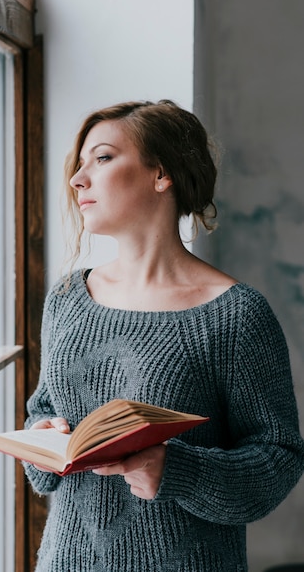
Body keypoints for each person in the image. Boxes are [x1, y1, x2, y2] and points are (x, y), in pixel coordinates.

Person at [24, 99, 304, 571]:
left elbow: (278, 457)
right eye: (80, 163)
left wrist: (179, 472)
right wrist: (43, 435)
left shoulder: (235, 315)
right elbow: (45, 408)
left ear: (161, 174)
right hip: (67, 560)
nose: (77, 178)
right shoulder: (69, 296)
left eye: (104, 158)